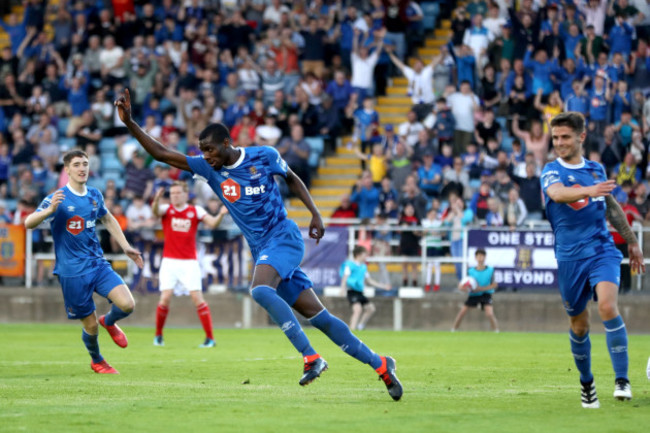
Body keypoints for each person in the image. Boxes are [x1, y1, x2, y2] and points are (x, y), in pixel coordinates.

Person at [115, 89, 402, 400]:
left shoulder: (263, 156)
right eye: (202, 151)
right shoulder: (208, 170)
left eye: (209, 150)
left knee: (260, 289)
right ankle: (381, 364)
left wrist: (316, 213)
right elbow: (162, 154)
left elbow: (291, 178)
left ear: (227, 144)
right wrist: (130, 123)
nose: (206, 156)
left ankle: (311, 357)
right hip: (264, 249)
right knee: (321, 318)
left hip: (284, 238)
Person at [540, 112, 645, 409]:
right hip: (570, 258)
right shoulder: (551, 170)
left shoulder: (596, 169)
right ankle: (587, 382)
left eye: (565, 137)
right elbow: (558, 195)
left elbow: (611, 208)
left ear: (581, 137)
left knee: (608, 306)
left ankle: (622, 379)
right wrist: (588, 190)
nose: (559, 143)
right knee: (579, 325)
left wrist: (633, 242)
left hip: (602, 249)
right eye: (556, 137)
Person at [24, 150, 144, 374]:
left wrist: (126, 246)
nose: (82, 168)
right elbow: (28, 223)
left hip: (97, 264)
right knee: (90, 326)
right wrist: (48, 211)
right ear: (67, 169)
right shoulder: (57, 197)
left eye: (85, 164)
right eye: (77, 164)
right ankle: (97, 359)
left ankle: (109, 321)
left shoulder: (95, 195)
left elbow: (107, 218)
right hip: (71, 272)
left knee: (127, 304)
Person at [151, 182, 229, 348]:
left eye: (178, 193)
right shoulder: (166, 209)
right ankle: (158, 335)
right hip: (169, 261)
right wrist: (157, 199)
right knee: (164, 298)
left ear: (186, 195)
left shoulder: (195, 211)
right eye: (172, 193)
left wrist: (221, 214)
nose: (175, 196)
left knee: (197, 298)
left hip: (189, 262)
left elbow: (213, 223)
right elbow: (155, 211)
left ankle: (210, 338)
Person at [339, 245, 391, 331]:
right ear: (358, 255)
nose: (366, 257)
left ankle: (360, 326)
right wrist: (342, 289)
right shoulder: (350, 265)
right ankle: (352, 330)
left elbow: (369, 280)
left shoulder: (363, 267)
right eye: (365, 255)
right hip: (352, 291)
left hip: (360, 292)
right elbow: (345, 277)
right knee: (357, 310)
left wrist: (383, 286)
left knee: (371, 308)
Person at [451, 249, 499, 332]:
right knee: (462, 312)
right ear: (475, 258)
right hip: (474, 295)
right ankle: (453, 329)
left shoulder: (490, 270)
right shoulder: (470, 271)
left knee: (490, 313)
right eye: (478, 256)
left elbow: (494, 285)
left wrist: (481, 289)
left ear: (485, 257)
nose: (480, 258)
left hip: (485, 294)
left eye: (482, 256)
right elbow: (463, 283)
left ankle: (496, 331)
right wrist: (462, 288)